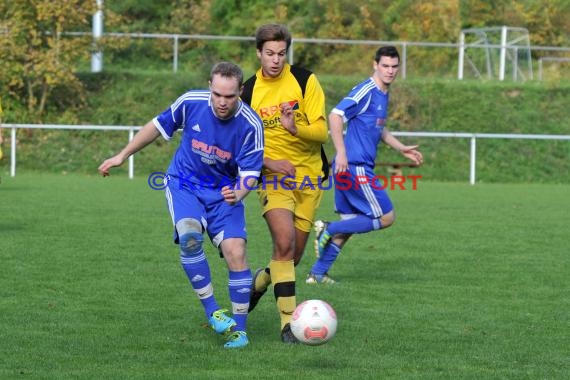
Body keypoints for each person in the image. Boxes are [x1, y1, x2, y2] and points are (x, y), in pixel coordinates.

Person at [98, 62, 264, 349]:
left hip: (225, 192)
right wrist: (122, 155)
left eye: (230, 96)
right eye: (218, 94)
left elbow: (250, 173)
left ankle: (240, 331)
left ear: (241, 91)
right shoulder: (191, 102)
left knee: (236, 251)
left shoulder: (251, 125)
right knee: (189, 236)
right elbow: (156, 127)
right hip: (184, 184)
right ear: (210, 86)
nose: (223, 102)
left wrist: (238, 194)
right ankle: (213, 311)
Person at [240, 24, 329, 343]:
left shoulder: (305, 80)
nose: (275, 60)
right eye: (269, 54)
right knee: (284, 243)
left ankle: (260, 283)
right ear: (258, 53)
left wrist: (295, 129)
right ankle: (288, 325)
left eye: (281, 54)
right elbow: (241, 144)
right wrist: (268, 163)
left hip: (309, 178)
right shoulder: (248, 92)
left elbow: (322, 132)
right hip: (273, 180)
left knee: (291, 259)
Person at [307, 46, 423, 284]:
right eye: (385, 66)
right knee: (387, 216)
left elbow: (378, 128)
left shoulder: (383, 92)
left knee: (349, 227)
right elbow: (335, 115)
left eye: (394, 66)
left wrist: (401, 148)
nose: (390, 71)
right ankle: (328, 227)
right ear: (375, 65)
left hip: (347, 169)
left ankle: (317, 274)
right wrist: (340, 152)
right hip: (355, 167)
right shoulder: (367, 90)